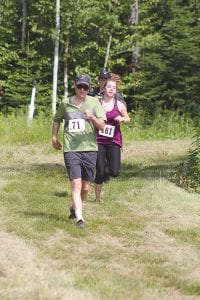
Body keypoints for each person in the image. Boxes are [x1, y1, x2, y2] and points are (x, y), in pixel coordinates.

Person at [52, 74, 106, 228]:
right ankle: (80, 219)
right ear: (74, 85)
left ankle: (74, 207)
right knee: (76, 184)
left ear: (89, 88)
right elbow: (57, 119)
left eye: (85, 87)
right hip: (71, 149)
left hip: (90, 149)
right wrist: (54, 137)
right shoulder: (65, 103)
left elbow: (102, 126)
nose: (82, 89)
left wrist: (93, 118)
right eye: (79, 86)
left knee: (85, 187)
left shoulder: (94, 102)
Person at [94, 77, 130, 202]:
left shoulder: (119, 104)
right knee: (99, 170)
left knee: (114, 172)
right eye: (109, 87)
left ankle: (107, 174)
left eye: (114, 88)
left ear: (116, 91)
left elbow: (128, 118)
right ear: (103, 88)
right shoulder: (96, 102)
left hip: (114, 140)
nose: (111, 89)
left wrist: (123, 119)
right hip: (98, 140)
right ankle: (97, 198)